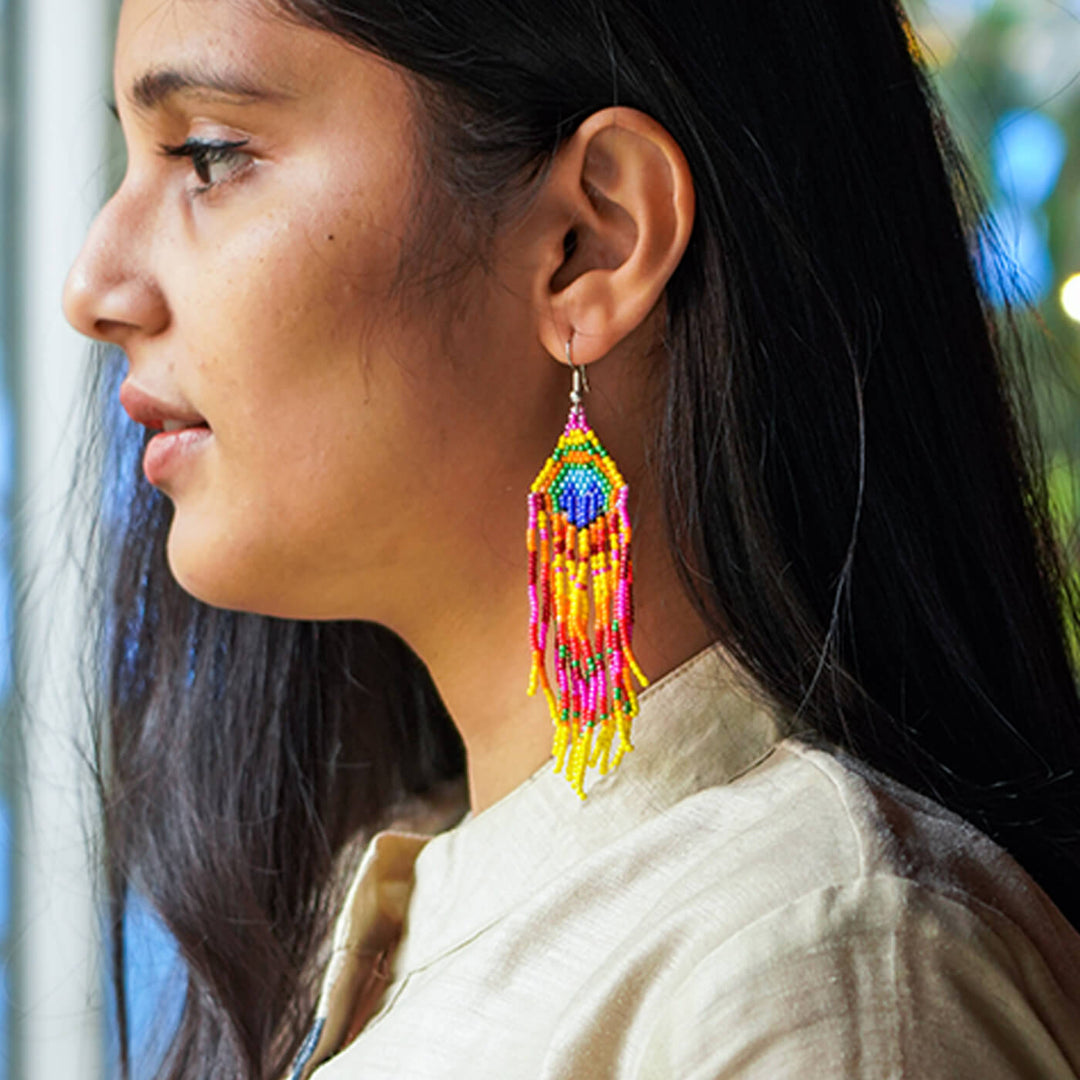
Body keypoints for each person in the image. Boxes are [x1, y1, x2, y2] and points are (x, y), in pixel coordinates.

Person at [60, 0, 1080, 1077]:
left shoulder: (816, 973)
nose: (93, 289)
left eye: (211, 156)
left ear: (589, 242)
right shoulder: (410, 902)